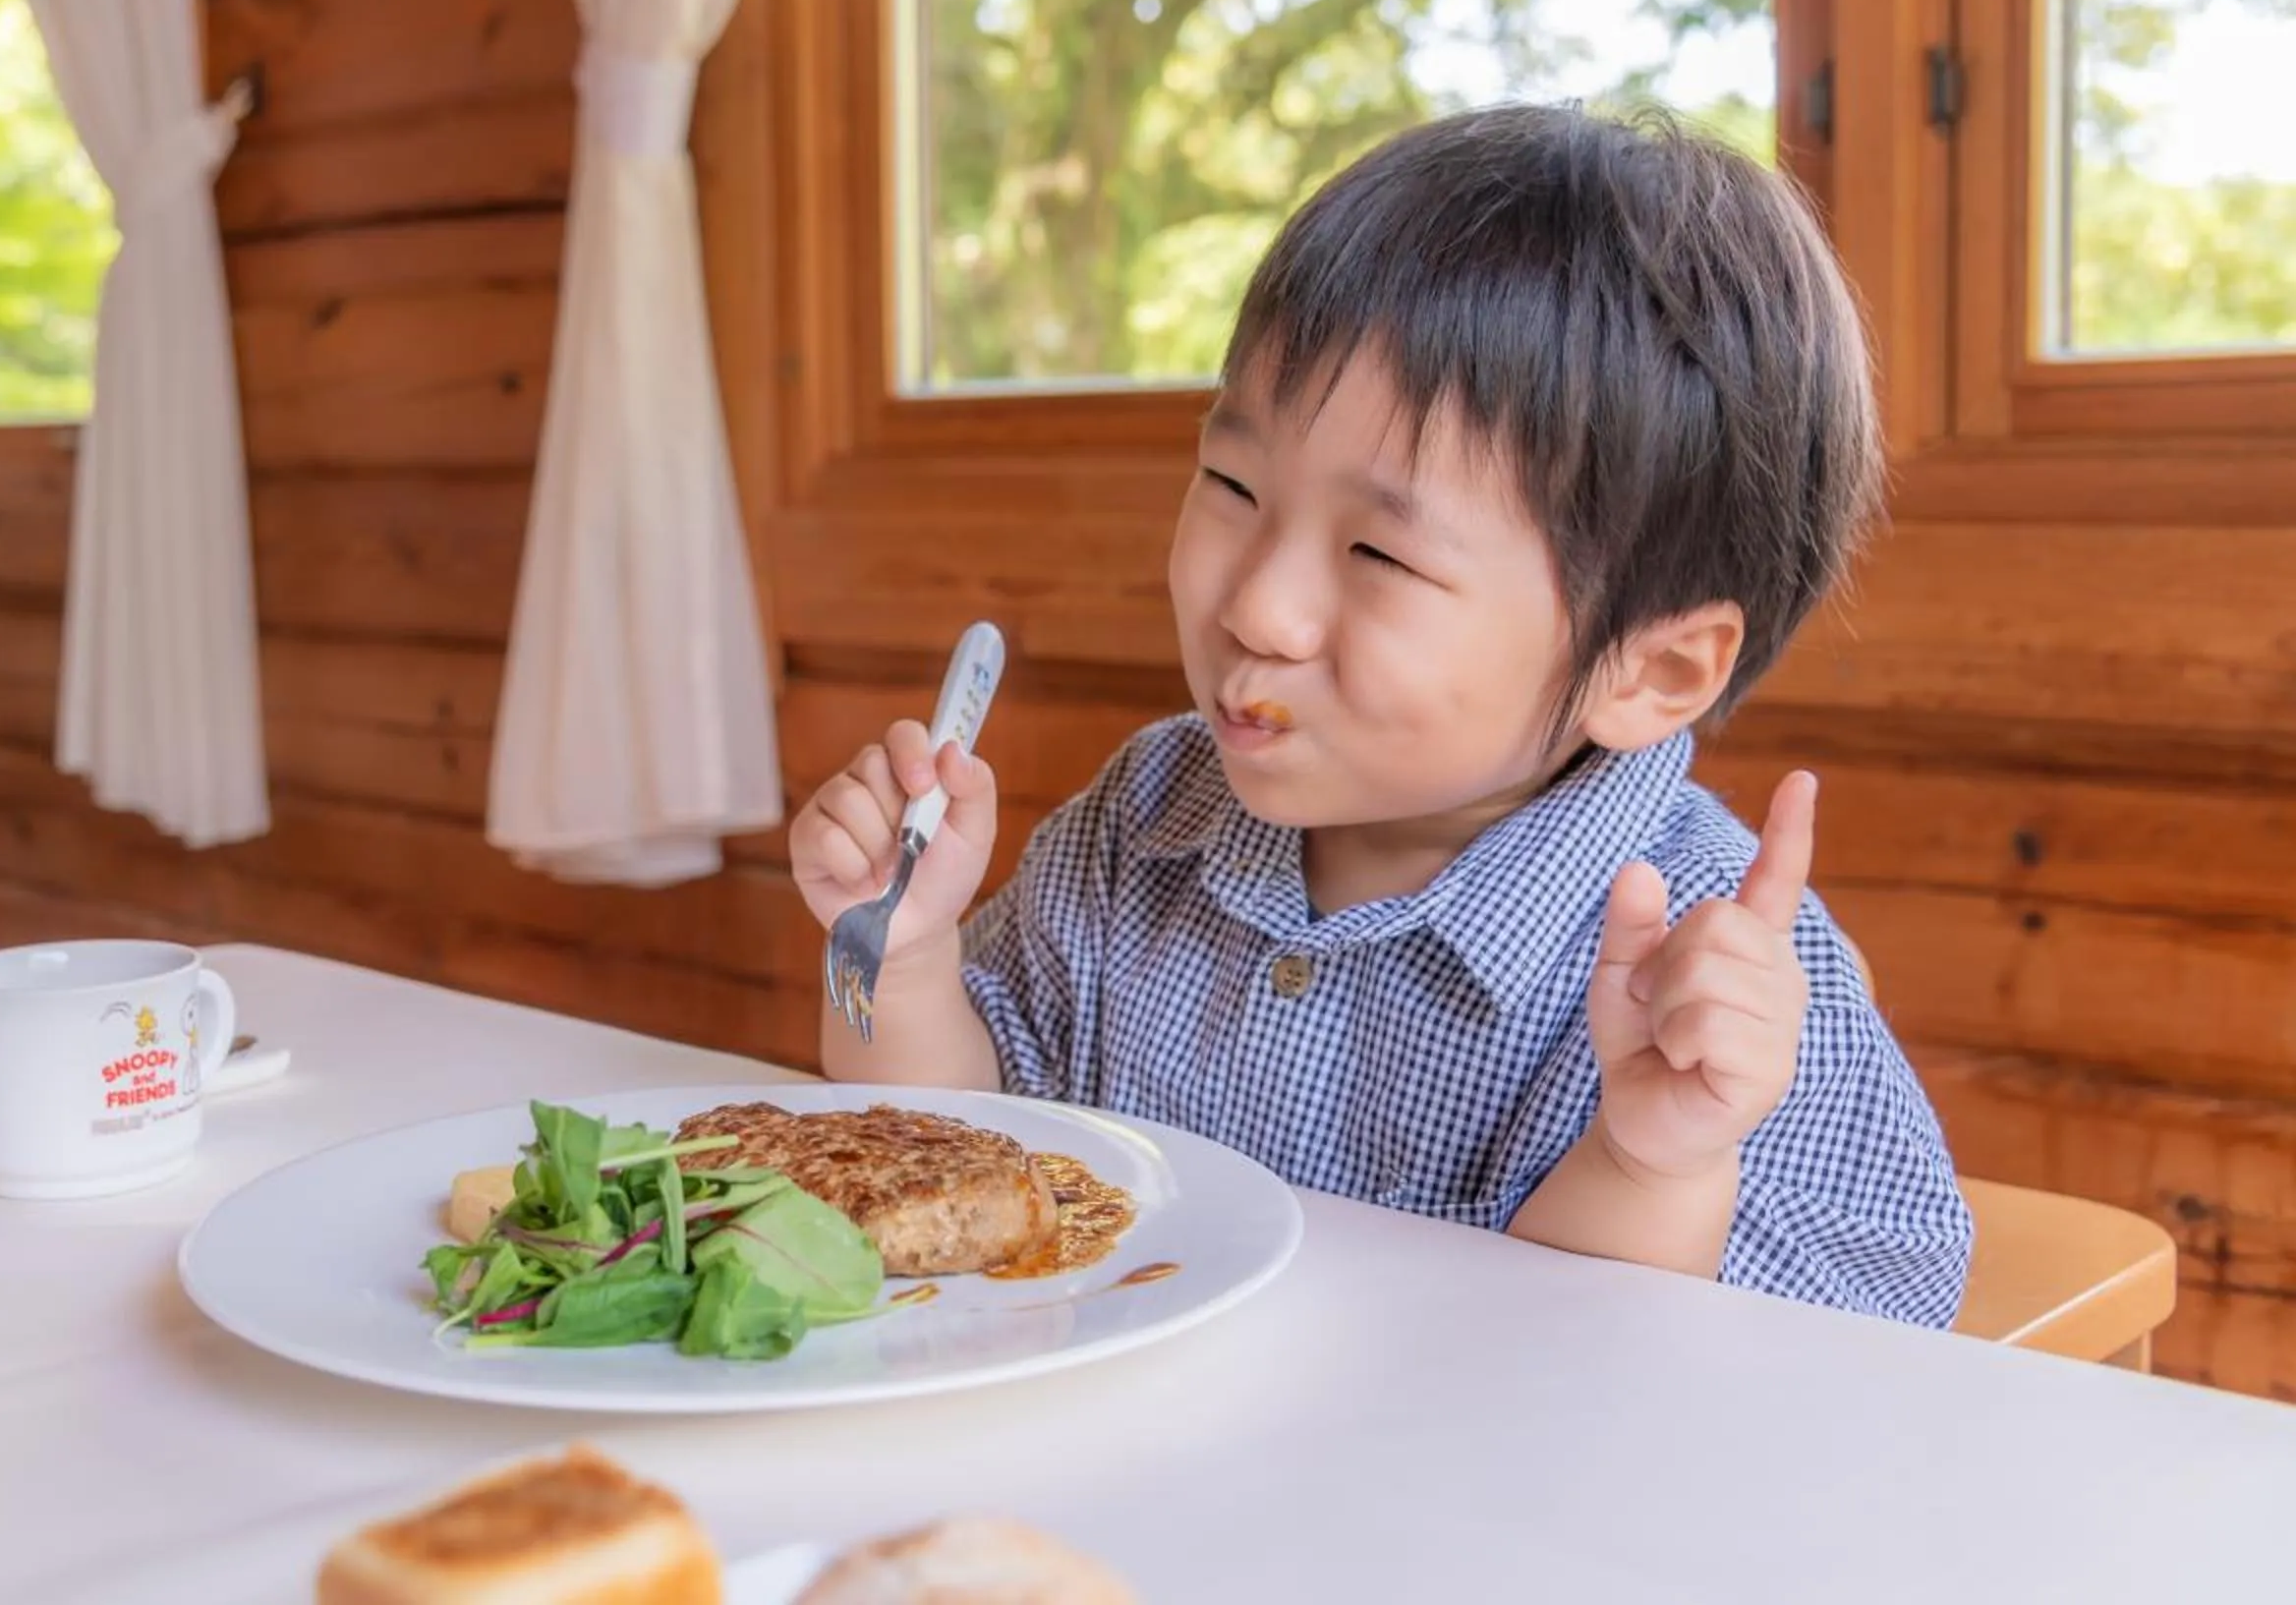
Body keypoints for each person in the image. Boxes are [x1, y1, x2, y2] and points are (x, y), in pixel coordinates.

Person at [793, 103, 1973, 1323]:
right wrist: (900, 956)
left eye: (1379, 554)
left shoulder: (1725, 984)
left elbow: (1759, 1384)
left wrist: (1651, 1165)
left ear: (1651, 672)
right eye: (1232, 484)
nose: (1257, 606)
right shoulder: (1142, 821)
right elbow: (951, 1160)